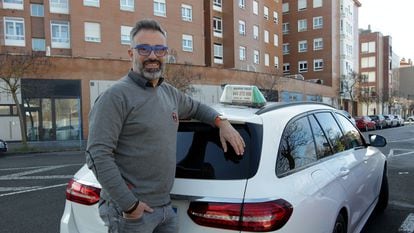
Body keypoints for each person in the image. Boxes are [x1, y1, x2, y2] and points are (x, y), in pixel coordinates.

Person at [85, 19, 245, 233]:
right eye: (144, 49)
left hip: (165, 208)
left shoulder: (168, 93)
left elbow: (197, 108)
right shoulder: (115, 97)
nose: (152, 56)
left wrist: (221, 122)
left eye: (159, 50)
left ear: (165, 54)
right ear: (131, 53)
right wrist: (130, 205)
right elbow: (97, 154)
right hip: (132, 214)